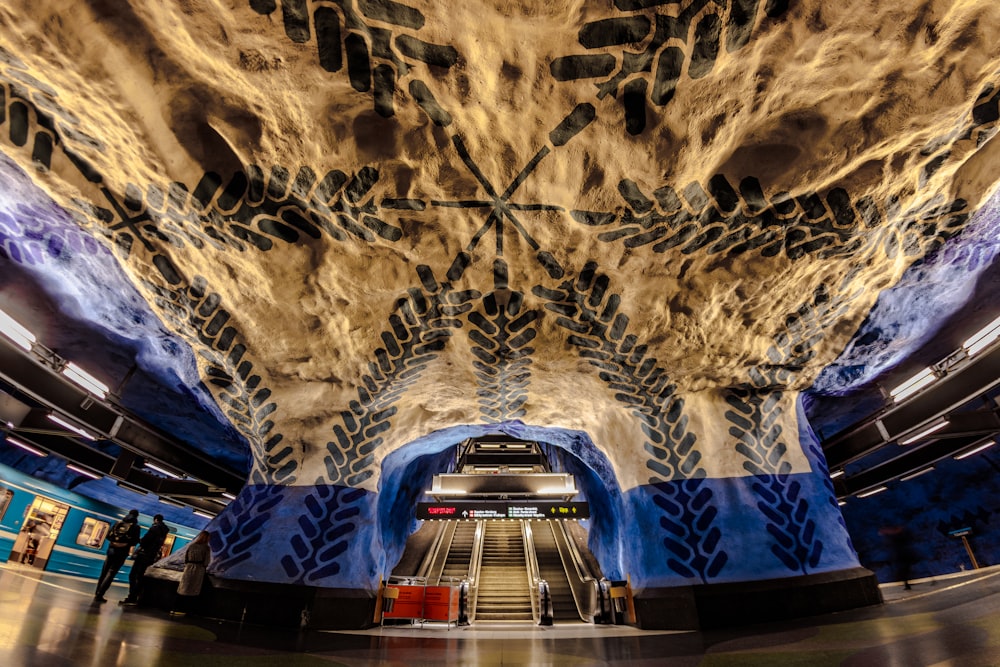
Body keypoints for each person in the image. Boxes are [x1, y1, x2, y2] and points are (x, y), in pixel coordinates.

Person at [121, 514, 170, 605]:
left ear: (155, 519)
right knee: (141, 577)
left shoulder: (154, 528)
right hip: (151, 556)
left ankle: (132, 597)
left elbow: (145, 541)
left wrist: (140, 541)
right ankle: (137, 597)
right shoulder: (164, 531)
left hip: (144, 555)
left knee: (133, 575)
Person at [94, 509, 140, 603]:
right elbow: (134, 541)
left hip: (111, 550)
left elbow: (108, 536)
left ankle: (97, 592)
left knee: (104, 572)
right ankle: (100, 594)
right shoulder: (136, 527)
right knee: (111, 573)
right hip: (122, 553)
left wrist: (115, 542)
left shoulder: (118, 523)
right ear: (136, 516)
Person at [171, 531, 211, 617]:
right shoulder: (206, 548)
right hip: (198, 569)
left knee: (183, 587)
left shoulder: (191, 546)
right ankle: (188, 610)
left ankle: (175, 608)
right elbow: (206, 562)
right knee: (194, 589)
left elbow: (185, 558)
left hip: (188, 568)